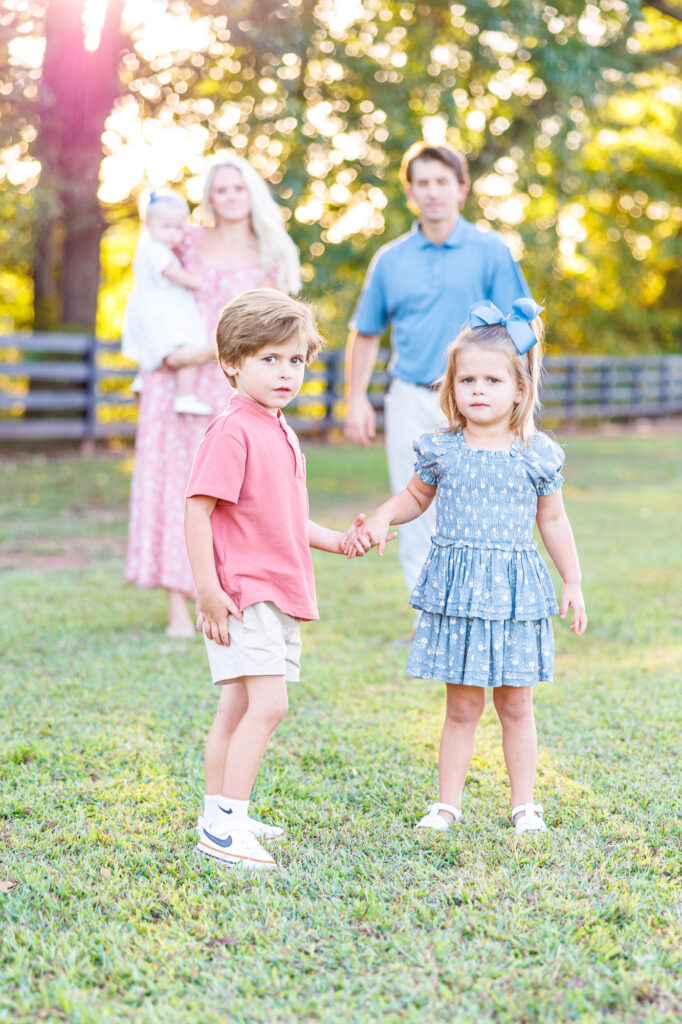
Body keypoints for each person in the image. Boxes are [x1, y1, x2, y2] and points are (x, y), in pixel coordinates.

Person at [345, 298, 587, 835]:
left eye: (492, 381)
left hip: (514, 592)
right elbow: (413, 497)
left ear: (520, 390)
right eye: (467, 379)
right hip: (459, 592)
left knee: (516, 705)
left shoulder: (535, 454)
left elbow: (553, 521)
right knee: (460, 707)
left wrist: (571, 580)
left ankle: (524, 805)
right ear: (451, 387)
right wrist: (384, 517)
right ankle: (446, 804)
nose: (478, 390)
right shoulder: (441, 450)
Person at [185, 289, 368, 871]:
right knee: (269, 704)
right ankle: (226, 829)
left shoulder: (278, 428)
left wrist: (336, 540)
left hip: (278, 590)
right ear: (233, 363)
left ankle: (219, 812)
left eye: (296, 360)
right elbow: (197, 511)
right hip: (245, 592)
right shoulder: (233, 429)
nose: (286, 372)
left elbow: (284, 517)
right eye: (270, 359)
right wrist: (209, 590)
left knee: (237, 707)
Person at [345, 141, 533, 601]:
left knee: (478, 502)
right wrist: (355, 400)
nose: (432, 192)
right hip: (411, 395)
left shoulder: (491, 250)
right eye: (422, 183)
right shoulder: (391, 259)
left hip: (478, 399)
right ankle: (426, 608)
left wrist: (518, 399)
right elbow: (366, 332)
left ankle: (480, 600)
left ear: (461, 189)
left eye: (442, 182)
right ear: (410, 193)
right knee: (412, 501)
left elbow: (521, 325)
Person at [125, 154, 300, 637]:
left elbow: (278, 331)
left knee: (237, 493)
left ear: (251, 194)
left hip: (229, 380)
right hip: (176, 381)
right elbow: (150, 285)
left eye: (237, 189)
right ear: (209, 198)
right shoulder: (187, 240)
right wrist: (162, 351)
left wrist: (213, 352)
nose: (228, 199)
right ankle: (178, 609)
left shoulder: (269, 254)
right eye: (219, 190)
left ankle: (237, 592)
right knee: (177, 486)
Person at [122, 189, 212, 416]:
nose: (173, 234)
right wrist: (193, 280)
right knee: (189, 345)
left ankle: (142, 379)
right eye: (166, 227)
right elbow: (169, 271)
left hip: (151, 310)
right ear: (148, 225)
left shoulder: (150, 249)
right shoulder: (154, 249)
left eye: (179, 228)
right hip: (163, 312)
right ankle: (186, 396)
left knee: (158, 345)